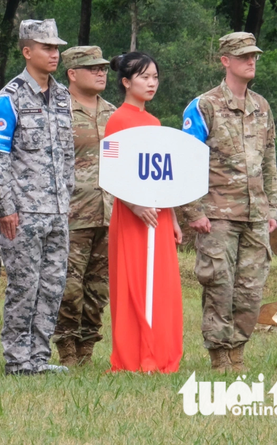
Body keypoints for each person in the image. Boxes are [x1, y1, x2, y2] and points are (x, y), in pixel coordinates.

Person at [181, 32, 277, 373]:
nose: (251, 61)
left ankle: (238, 353)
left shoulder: (261, 106)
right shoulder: (204, 106)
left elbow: (268, 161)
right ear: (225, 61)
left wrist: (272, 210)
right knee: (219, 285)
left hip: (254, 214)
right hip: (217, 213)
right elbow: (186, 160)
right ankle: (219, 356)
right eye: (243, 57)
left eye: (253, 56)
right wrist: (193, 211)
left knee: (251, 290)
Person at [0, 18, 74, 376]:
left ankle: (38, 357)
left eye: (56, 48)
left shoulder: (64, 97)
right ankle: (17, 360)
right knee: (25, 287)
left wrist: (67, 201)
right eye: (47, 47)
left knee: (52, 287)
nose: (54, 54)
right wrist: (5, 208)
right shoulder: (9, 99)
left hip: (57, 212)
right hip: (23, 213)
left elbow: (68, 156)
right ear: (27, 51)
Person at [105, 51, 183, 373]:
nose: (152, 83)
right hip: (131, 216)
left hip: (159, 216)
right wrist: (135, 205)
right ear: (126, 82)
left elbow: (162, 175)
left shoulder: (154, 123)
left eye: (155, 77)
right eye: (144, 77)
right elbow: (110, 172)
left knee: (161, 286)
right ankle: (133, 356)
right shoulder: (117, 120)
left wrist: (174, 217)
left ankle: (160, 353)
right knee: (133, 285)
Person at [53, 46, 116, 367]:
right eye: (93, 68)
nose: (101, 72)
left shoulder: (113, 113)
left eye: (103, 67)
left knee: (97, 288)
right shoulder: (56, 110)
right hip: (71, 214)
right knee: (69, 286)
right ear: (73, 74)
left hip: (108, 214)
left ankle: (88, 350)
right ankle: (66, 350)